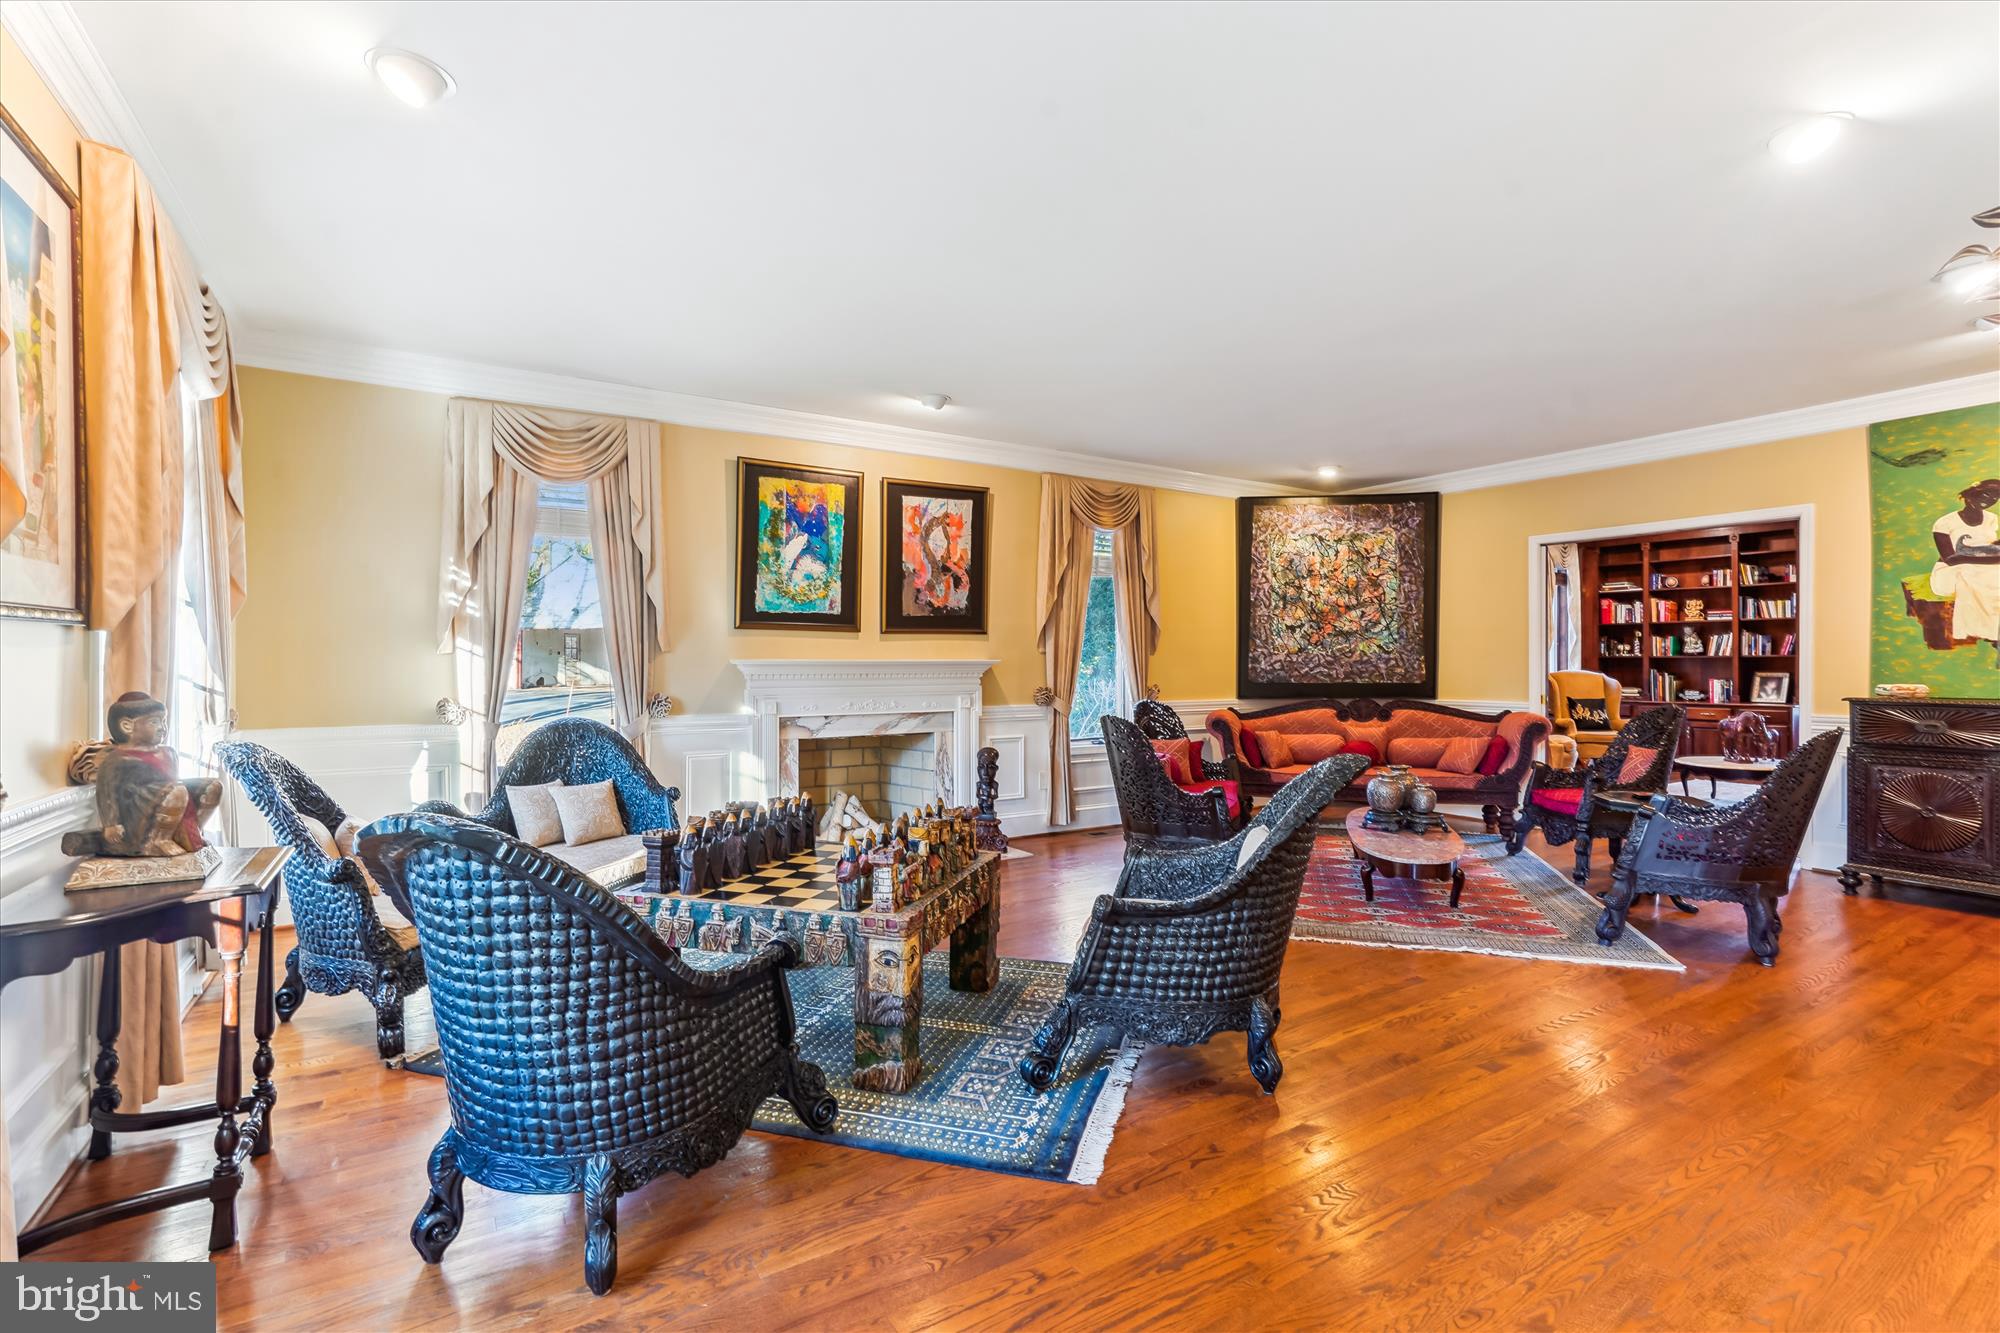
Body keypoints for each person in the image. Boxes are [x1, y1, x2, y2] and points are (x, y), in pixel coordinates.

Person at [1930, 478, 2000, 651]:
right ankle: (1988, 632)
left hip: (1982, 566)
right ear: (1971, 493)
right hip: (1948, 572)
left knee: (1989, 575)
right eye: (1986, 495)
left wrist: (1995, 551)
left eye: (1995, 498)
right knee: (1972, 572)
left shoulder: (1992, 519)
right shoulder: (1945, 523)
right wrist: (1994, 560)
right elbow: (1951, 559)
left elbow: (1990, 546)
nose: (1989, 501)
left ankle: (1994, 630)